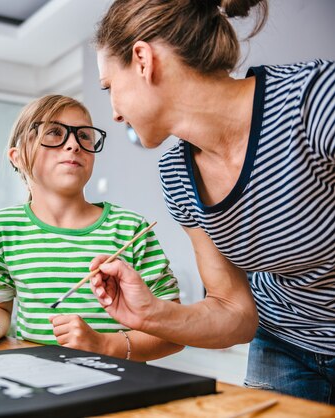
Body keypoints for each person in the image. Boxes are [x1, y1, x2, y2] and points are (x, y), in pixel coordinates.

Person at [91, 0, 334, 403]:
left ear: (142, 59)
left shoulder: (313, 101)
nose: (114, 114)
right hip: (283, 343)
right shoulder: (177, 175)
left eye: (108, 86)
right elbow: (233, 314)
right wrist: (147, 313)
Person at [0, 94, 183, 361]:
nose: (73, 144)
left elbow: (175, 332)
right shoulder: (2, 229)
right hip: (33, 383)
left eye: (84, 136)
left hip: (115, 386)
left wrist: (104, 344)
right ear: (18, 156)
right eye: (54, 132)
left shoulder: (130, 229)